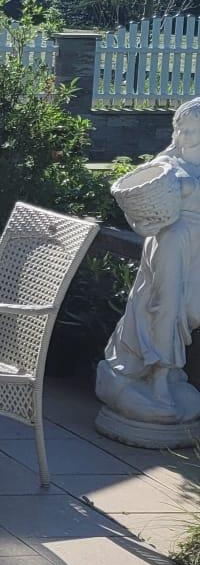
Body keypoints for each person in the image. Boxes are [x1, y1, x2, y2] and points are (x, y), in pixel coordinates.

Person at [97, 98, 200, 425]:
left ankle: (168, 373)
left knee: (193, 311)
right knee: (165, 306)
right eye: (182, 129)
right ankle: (159, 379)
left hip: (197, 246)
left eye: (193, 129)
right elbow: (138, 206)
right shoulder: (167, 163)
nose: (185, 135)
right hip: (170, 242)